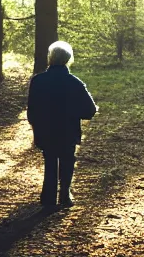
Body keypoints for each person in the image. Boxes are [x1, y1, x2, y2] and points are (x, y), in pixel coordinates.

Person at [27, 41, 98, 208]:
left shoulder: (38, 81)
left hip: (46, 132)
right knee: (67, 161)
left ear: (50, 58)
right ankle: (65, 195)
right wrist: (74, 114)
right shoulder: (75, 82)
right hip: (68, 131)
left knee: (50, 161)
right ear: (68, 59)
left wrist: (37, 126)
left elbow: (32, 110)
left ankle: (48, 198)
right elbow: (90, 110)